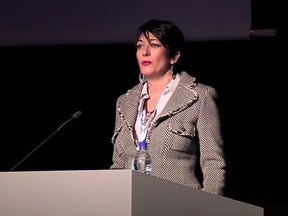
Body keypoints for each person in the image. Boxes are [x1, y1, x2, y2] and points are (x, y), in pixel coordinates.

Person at [110, 18, 226, 196]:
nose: (145, 52)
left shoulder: (200, 97)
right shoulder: (124, 102)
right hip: (132, 203)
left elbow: (213, 162)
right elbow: (118, 164)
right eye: (140, 46)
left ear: (174, 56)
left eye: (154, 45)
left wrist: (208, 208)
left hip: (180, 204)